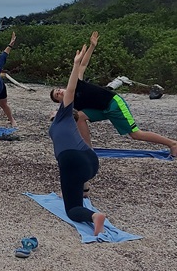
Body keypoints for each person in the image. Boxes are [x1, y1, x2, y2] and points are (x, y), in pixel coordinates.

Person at [50, 32, 177, 157]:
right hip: (102, 110)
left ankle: (172, 144)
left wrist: (92, 46)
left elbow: (83, 64)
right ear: (60, 101)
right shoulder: (70, 104)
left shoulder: (75, 83)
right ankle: (88, 149)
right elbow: (63, 115)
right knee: (80, 116)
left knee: (136, 134)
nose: (60, 92)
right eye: (57, 96)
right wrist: (55, 115)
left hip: (114, 104)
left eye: (58, 90)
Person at [49, 43, 106, 236]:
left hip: (74, 160)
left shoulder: (64, 115)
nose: (61, 93)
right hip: (91, 161)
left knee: (72, 210)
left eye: (59, 91)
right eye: (57, 93)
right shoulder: (68, 120)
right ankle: (82, 189)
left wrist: (75, 64)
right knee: (73, 183)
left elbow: (71, 89)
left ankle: (94, 216)